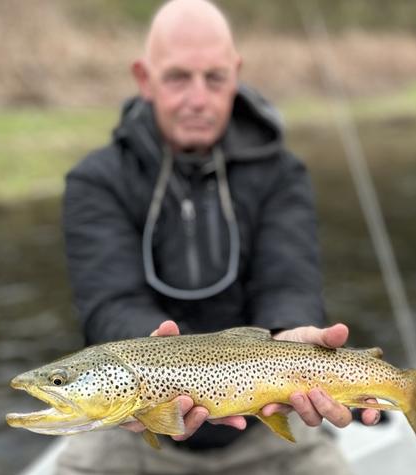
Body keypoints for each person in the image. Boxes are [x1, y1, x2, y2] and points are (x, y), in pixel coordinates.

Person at [57, 1, 379, 473]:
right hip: (134, 429)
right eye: (177, 78)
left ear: (237, 74)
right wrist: (147, 361)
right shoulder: (96, 180)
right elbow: (108, 302)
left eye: (214, 78)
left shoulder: (282, 174)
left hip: (268, 421)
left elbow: (289, 281)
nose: (197, 99)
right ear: (144, 79)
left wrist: (291, 335)